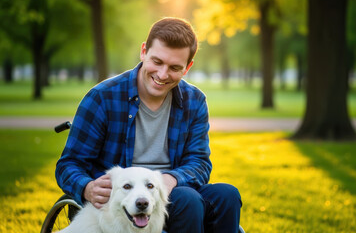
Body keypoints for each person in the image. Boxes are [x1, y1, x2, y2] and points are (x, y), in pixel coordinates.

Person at [55, 17, 242, 232]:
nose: (162, 75)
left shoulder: (195, 101)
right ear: (143, 51)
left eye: (174, 67)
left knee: (228, 195)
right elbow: (68, 164)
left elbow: (199, 162)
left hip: (171, 192)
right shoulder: (102, 98)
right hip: (120, 206)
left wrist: (171, 179)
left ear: (188, 67)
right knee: (188, 199)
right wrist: (87, 188)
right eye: (157, 62)